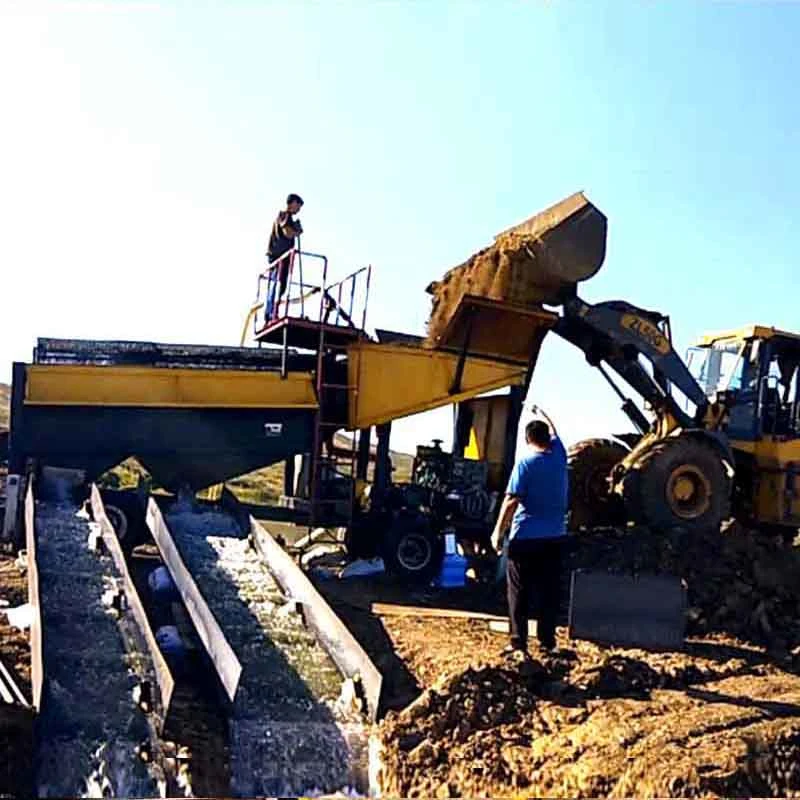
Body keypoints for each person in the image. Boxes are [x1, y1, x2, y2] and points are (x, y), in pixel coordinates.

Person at [490, 406, 568, 653]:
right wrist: (544, 412)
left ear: (527, 440)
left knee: (518, 590)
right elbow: (555, 431)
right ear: (547, 438)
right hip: (555, 537)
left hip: (526, 537)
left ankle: (518, 642)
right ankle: (547, 642)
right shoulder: (559, 456)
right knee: (548, 591)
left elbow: (511, 500)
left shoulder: (525, 464)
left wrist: (497, 532)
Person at [265, 193, 304, 321]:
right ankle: (271, 314)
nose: (298, 209)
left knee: (280, 285)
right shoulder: (284, 215)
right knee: (276, 284)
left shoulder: (288, 219)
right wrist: (297, 231)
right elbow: (287, 233)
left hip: (283, 257)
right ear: (292, 203)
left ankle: (272, 312)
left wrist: (296, 229)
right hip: (278, 257)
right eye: (298, 206)